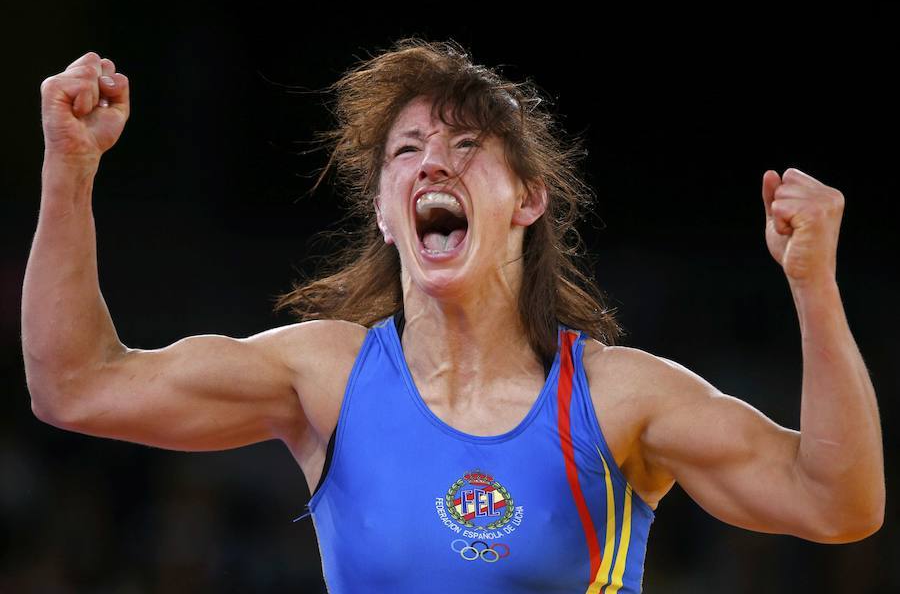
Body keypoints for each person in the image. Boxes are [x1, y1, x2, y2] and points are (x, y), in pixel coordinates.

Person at [23, 38, 884, 593]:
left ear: (528, 200)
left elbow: (840, 503)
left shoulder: (621, 401)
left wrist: (813, 285)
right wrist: (69, 166)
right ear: (386, 213)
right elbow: (75, 386)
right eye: (408, 151)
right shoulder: (325, 380)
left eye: (467, 145)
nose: (434, 159)